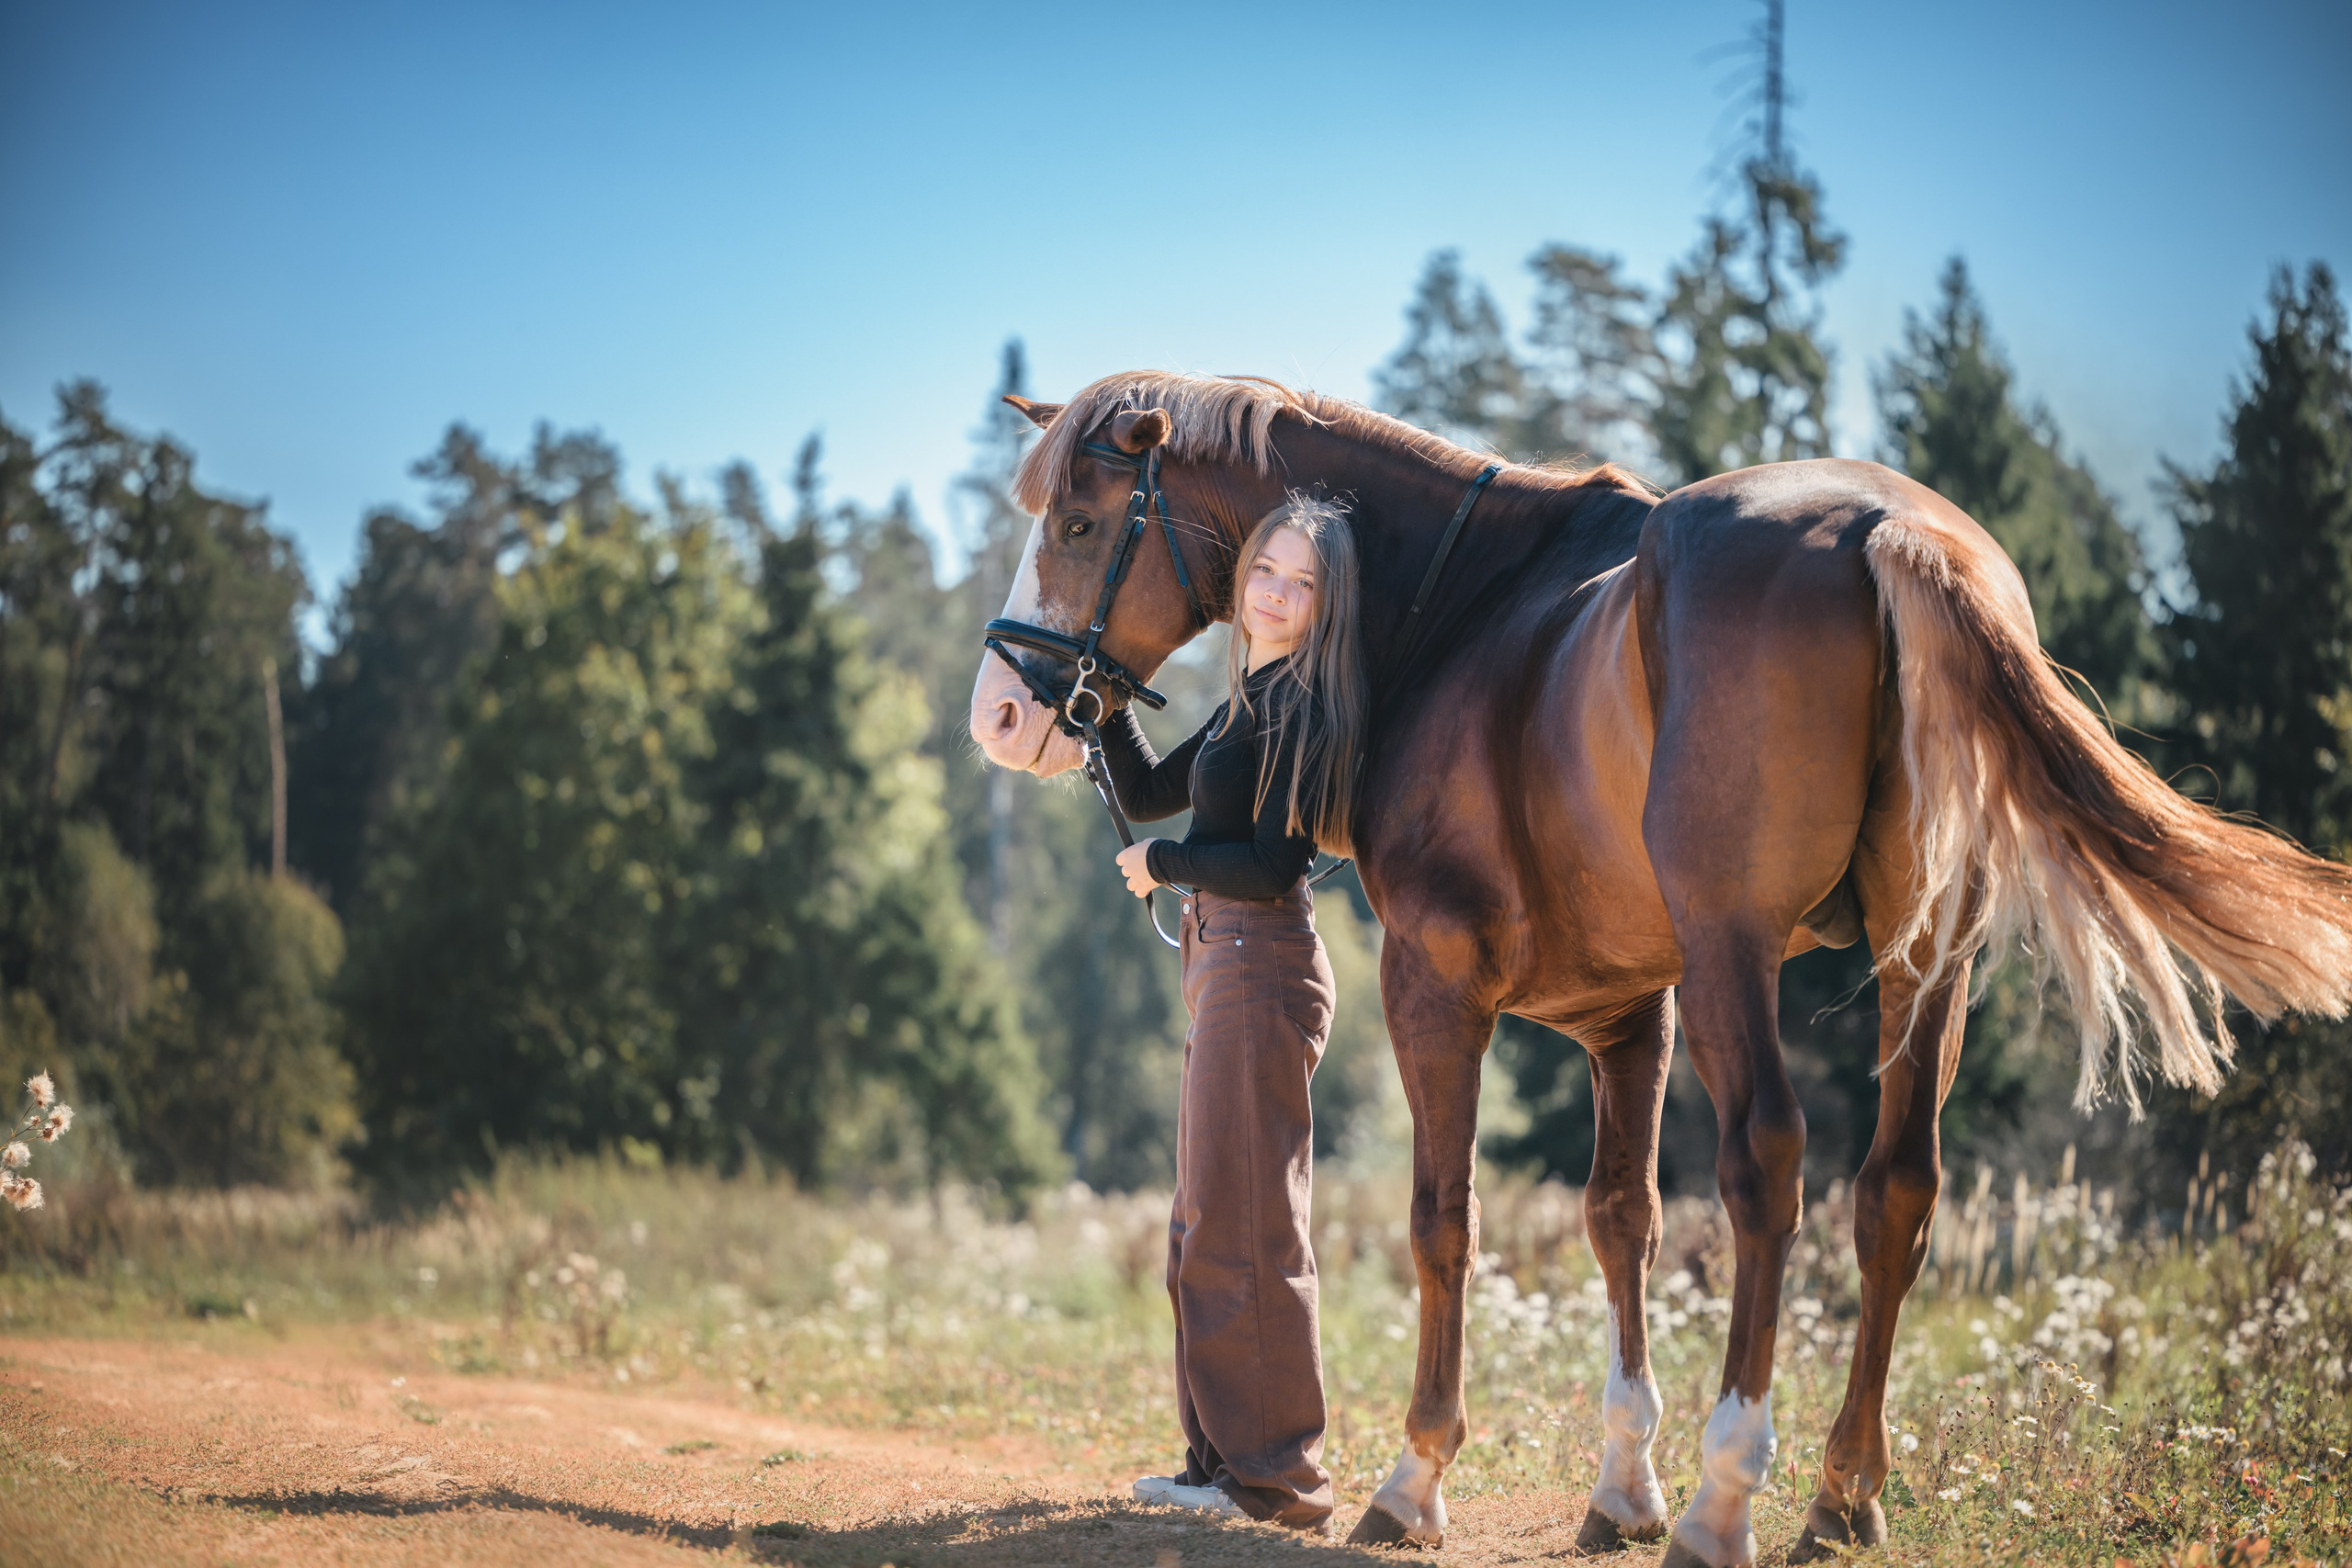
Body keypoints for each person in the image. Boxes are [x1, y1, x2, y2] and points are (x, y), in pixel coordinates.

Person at [1096, 491, 1367, 1534]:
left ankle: (1277, 1482)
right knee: (1207, 1217)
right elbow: (1159, 786)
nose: (1278, 594)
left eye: (1303, 583)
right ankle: (1218, 1464)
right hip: (1224, 964)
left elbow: (1267, 861)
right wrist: (1102, 701)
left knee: (1248, 1224)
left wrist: (1158, 866)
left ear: (1323, 603)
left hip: (1260, 960)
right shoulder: (1249, 691)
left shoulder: (1303, 702)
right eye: (1268, 571)